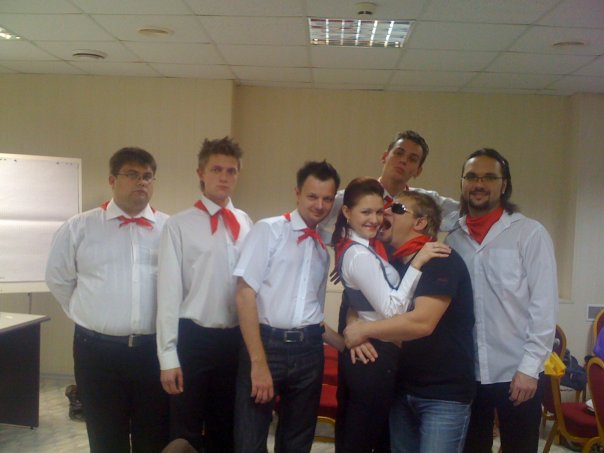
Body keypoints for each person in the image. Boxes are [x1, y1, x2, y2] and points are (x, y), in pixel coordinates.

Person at [46, 147, 170, 453]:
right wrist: (86, 314)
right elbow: (58, 279)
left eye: (148, 176)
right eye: (132, 174)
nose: (141, 182)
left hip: (153, 353)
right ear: (112, 180)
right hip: (97, 353)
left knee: (153, 436)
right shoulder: (79, 227)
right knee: (105, 437)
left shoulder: (170, 229)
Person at [344, 191, 476, 453]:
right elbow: (359, 301)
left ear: (420, 222)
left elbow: (421, 323)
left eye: (397, 209)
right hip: (401, 388)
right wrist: (353, 325)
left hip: (442, 395)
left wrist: (364, 330)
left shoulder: (440, 259)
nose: (384, 212)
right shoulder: (393, 263)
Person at [445, 148, 558, 453]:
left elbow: (544, 308)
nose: (479, 184)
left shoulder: (529, 234)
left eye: (489, 177)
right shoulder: (453, 238)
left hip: (517, 373)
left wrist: (529, 368)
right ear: (462, 182)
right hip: (468, 374)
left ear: (504, 184)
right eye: (471, 177)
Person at [233, 160, 342, 453]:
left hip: (310, 351)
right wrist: (258, 363)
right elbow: (244, 294)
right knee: (249, 440)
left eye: (327, 198)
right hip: (266, 346)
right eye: (312, 196)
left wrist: (346, 344)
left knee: (297, 442)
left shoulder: (323, 247)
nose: (319, 205)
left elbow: (312, 314)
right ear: (297, 193)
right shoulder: (268, 230)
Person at [156, 137, 253, 452]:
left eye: (231, 171)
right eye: (216, 169)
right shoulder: (178, 225)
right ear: (201, 173)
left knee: (225, 428)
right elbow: (168, 294)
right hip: (193, 338)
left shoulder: (246, 223)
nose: (224, 177)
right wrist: (168, 356)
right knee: (185, 430)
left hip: (234, 340)